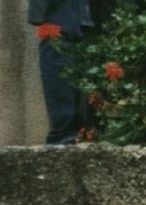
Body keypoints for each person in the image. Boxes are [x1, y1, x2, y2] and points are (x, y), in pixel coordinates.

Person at [28, 0, 99, 144]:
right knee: (58, 51)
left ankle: (87, 132)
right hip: (62, 13)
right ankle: (65, 136)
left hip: (92, 14)